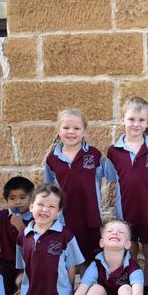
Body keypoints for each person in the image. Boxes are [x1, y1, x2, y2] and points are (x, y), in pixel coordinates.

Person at [105, 96, 148, 295]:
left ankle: (147, 290)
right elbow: (114, 178)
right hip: (125, 214)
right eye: (131, 119)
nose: (136, 124)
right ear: (123, 120)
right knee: (129, 254)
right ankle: (131, 288)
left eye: (141, 120)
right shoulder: (114, 151)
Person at [16, 184, 85, 295]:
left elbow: (71, 267)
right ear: (31, 206)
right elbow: (22, 265)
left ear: (58, 212)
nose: (45, 210)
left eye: (51, 206)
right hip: (32, 294)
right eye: (40, 205)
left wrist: (67, 290)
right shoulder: (23, 236)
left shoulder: (65, 235)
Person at [44, 108, 104, 262]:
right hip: (65, 219)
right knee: (67, 260)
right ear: (58, 131)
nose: (71, 132)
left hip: (90, 218)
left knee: (91, 260)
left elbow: (110, 176)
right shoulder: (52, 159)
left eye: (76, 128)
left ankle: (88, 286)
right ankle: (67, 287)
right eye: (66, 128)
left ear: (84, 132)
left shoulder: (94, 155)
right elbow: (49, 190)